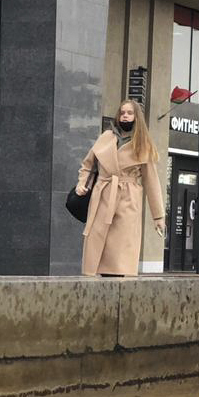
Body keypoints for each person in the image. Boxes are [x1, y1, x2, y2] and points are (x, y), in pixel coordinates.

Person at [75, 99, 165, 277]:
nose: (125, 116)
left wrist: (159, 216)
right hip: (103, 195)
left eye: (130, 113)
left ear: (137, 117)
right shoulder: (106, 137)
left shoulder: (142, 144)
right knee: (97, 245)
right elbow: (87, 165)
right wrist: (81, 184)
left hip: (127, 199)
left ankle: (118, 287)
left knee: (120, 252)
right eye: (122, 112)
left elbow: (151, 181)